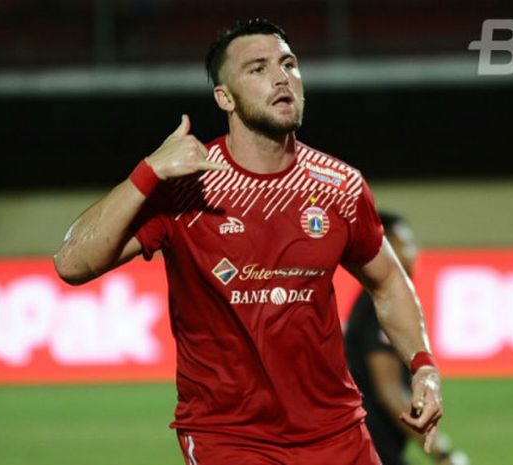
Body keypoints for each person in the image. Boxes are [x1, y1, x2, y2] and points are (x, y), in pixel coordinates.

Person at [54, 18, 442, 465]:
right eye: (257, 69)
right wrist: (147, 172)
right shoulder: (185, 186)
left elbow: (389, 279)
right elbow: (72, 263)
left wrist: (424, 367)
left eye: (289, 64)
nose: (281, 77)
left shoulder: (340, 186)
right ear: (225, 97)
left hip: (337, 433)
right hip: (230, 441)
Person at [345, 212, 469, 465]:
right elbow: (388, 390)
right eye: (406, 244)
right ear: (386, 248)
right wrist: (442, 452)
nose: (414, 252)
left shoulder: (367, 303)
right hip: (373, 450)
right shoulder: (378, 309)